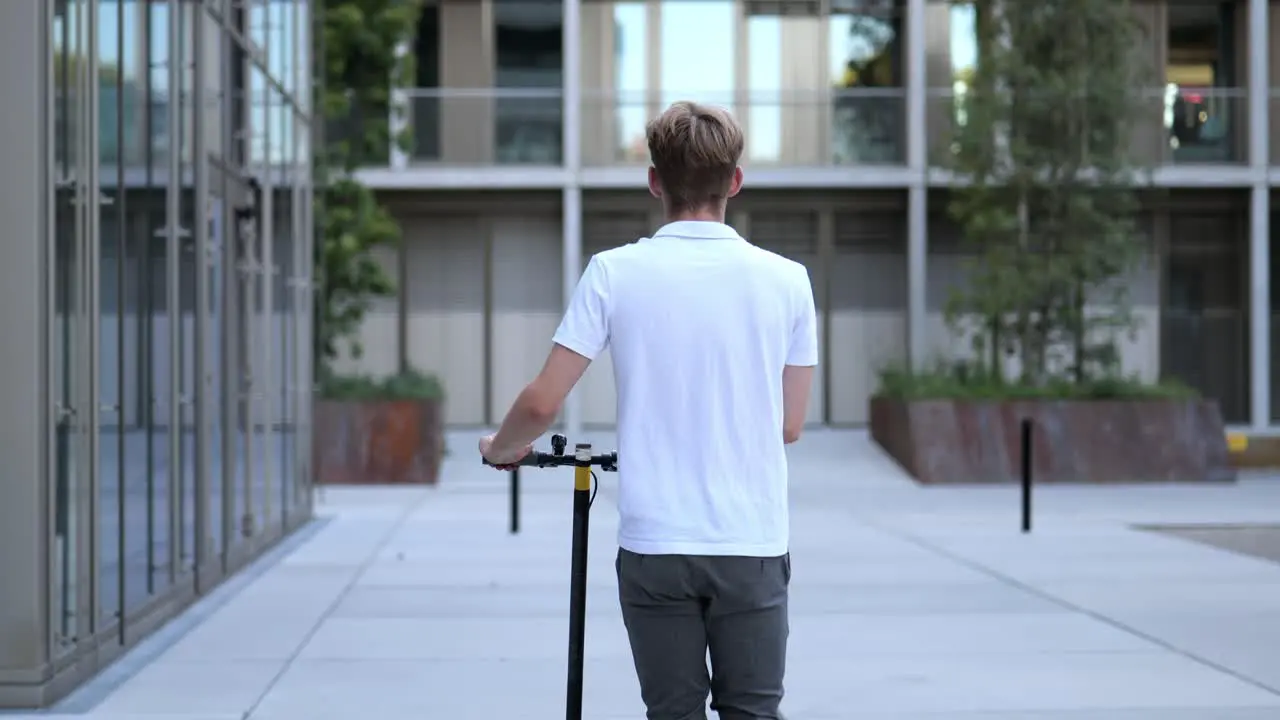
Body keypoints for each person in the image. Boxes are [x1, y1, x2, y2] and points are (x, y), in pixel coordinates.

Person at [479, 100, 818, 720]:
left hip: (655, 543)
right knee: (754, 712)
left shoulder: (614, 272)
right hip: (752, 542)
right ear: (734, 182)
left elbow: (542, 401)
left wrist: (501, 449)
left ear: (655, 180)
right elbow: (789, 425)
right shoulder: (788, 280)